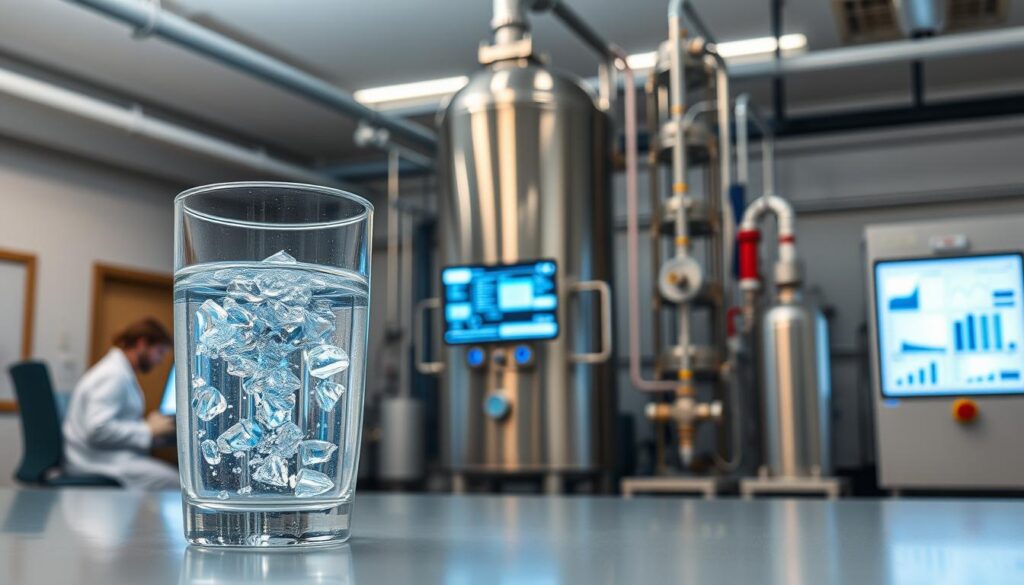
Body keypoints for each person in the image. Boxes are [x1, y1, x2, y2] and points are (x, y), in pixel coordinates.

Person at [63, 318, 179, 490]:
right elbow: (97, 429)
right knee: (177, 483)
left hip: (102, 456)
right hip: (94, 462)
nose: (160, 360)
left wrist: (146, 426)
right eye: (160, 352)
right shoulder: (114, 375)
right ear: (142, 344)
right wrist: (147, 429)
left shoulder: (119, 371)